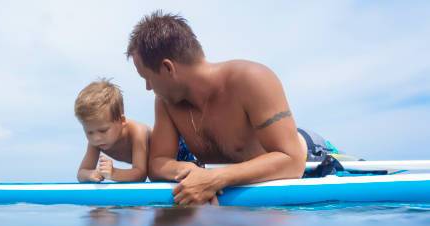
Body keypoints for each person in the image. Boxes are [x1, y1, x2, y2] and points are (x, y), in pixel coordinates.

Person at [127, 11, 316, 205]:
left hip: (310, 151)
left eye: (147, 78)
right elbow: (157, 163)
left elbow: (293, 161)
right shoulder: (167, 102)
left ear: (168, 68)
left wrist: (215, 178)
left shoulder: (252, 79)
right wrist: (189, 171)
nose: (148, 87)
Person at [75, 79, 150, 182]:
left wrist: (114, 173)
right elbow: (81, 173)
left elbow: (141, 174)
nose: (96, 138)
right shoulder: (96, 140)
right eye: (89, 132)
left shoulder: (137, 133)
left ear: (122, 121)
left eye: (103, 130)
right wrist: (90, 174)